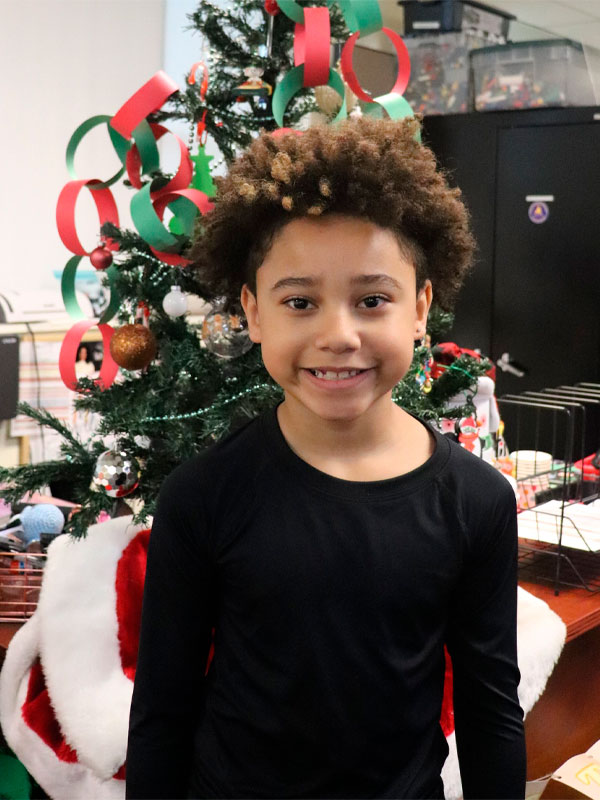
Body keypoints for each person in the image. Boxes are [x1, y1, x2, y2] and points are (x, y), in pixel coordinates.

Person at [126, 115, 525, 800]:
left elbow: (492, 712)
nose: (339, 335)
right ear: (254, 312)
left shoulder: (477, 502)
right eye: (300, 301)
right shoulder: (202, 495)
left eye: (372, 300)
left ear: (420, 308)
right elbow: (162, 711)